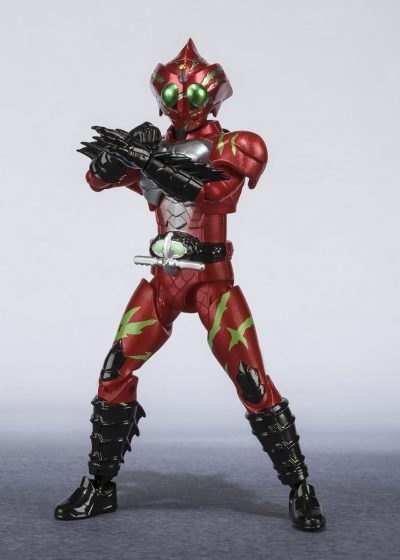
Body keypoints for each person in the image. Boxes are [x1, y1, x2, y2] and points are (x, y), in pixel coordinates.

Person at [54, 39, 325, 531]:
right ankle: (100, 486)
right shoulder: (153, 147)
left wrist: (146, 161)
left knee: (251, 379)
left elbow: (213, 193)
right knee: (114, 370)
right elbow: (96, 180)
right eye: (173, 95)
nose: (182, 103)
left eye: (193, 95)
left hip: (211, 283)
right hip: (163, 280)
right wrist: (115, 158)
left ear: (214, 96)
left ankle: (300, 487)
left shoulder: (235, 146)